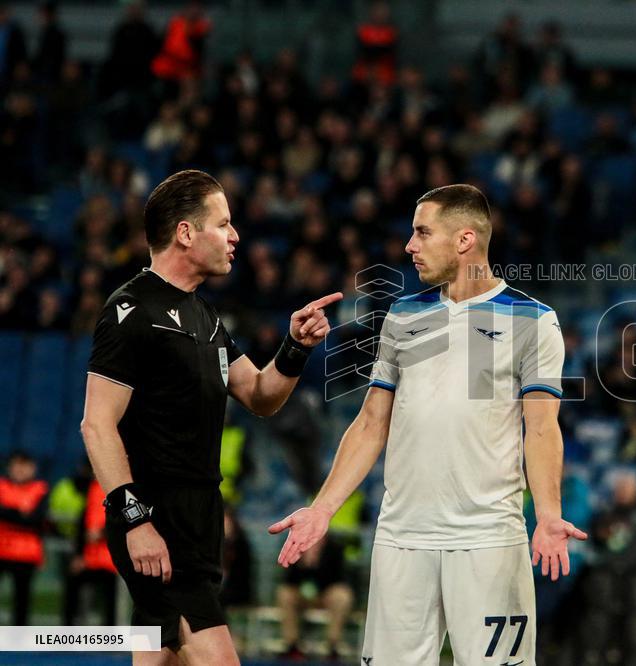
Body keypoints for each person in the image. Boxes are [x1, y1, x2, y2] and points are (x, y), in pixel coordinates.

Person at [270, 183, 587, 665]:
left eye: (422, 232)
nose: (409, 246)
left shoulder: (532, 320)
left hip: (486, 538)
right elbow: (371, 422)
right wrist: (322, 509)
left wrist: (547, 513)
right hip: (402, 536)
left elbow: (541, 428)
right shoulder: (403, 314)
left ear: (464, 240)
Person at [81, 169, 341, 665]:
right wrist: (135, 522)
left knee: (160, 652)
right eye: (222, 224)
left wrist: (295, 347)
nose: (234, 235)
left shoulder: (205, 315)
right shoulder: (130, 310)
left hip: (200, 516)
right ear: (185, 232)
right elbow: (96, 425)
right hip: (157, 517)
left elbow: (260, 396)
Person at [275, 533, 354, 659]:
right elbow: (289, 579)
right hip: (300, 592)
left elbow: (338, 578)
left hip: (326, 593)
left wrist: (316, 564)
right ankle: (292, 645)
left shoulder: (335, 547)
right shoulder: (293, 545)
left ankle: (333, 645)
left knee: (342, 596)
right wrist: (305, 564)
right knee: (284, 594)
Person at [0, 451, 48, 625]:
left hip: (26, 553)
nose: (19, 470)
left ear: (32, 468)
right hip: (2, 549)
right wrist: (20, 513)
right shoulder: (2, 486)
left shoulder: (40, 489)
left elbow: (36, 519)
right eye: (16, 465)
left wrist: (9, 512)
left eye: (24, 465)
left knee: (22, 600)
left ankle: (18, 636)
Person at [63, 477, 118, 625]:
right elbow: (83, 522)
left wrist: (102, 533)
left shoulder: (120, 484)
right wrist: (79, 554)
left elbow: (124, 519)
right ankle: (67, 632)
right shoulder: (91, 487)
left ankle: (110, 635)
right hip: (89, 557)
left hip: (112, 559)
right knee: (72, 586)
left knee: (110, 600)